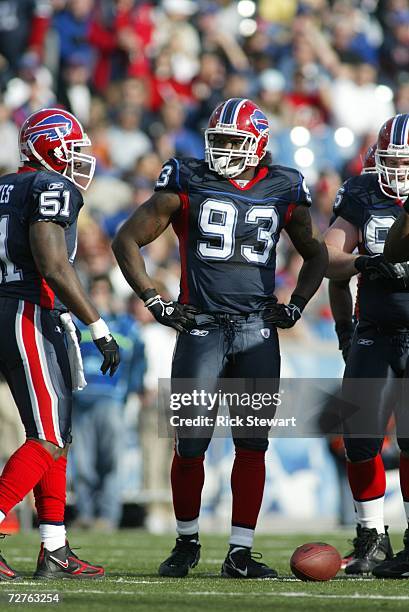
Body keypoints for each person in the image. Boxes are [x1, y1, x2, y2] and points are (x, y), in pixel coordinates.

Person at [112, 97, 328, 579]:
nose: (223, 150)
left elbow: (313, 254)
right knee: (190, 443)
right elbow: (126, 238)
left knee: (252, 445)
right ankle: (186, 542)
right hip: (202, 328)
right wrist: (154, 300)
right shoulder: (187, 178)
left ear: (258, 145)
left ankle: (240, 552)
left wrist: (295, 304)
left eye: (234, 141)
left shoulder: (285, 185)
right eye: (218, 141)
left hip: (256, 331)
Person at [0, 107, 120, 581]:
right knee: (48, 436)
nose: (78, 160)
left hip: (10, 308)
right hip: (29, 310)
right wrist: (98, 324)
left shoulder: (6, 184)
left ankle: (54, 548)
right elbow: (52, 263)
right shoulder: (52, 186)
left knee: (56, 435)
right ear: (48, 147)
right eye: (72, 149)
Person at [324, 113, 409, 578]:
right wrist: (365, 265)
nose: (397, 170)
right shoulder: (361, 192)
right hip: (375, 330)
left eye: (406, 162)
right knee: (359, 440)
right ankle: (371, 538)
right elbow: (329, 257)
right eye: (392, 160)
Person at [71, 274, 145, 531]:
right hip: (81, 403)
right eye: (95, 292)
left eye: (104, 292)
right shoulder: (77, 324)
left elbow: (138, 360)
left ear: (111, 295)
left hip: (112, 402)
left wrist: (130, 391)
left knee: (112, 463)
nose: (100, 297)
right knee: (83, 464)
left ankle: (108, 517)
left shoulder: (125, 326)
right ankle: (85, 514)